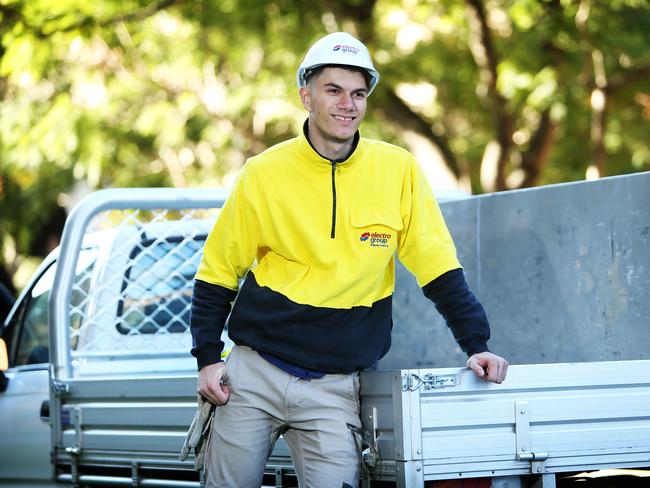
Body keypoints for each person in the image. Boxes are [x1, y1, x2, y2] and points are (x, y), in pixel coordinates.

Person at [190, 31, 508, 488]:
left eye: (358, 93)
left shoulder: (397, 170)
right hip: (252, 375)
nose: (348, 104)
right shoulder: (262, 174)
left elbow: (438, 268)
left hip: (335, 386)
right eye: (333, 90)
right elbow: (218, 272)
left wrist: (476, 343)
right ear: (306, 97)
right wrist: (206, 357)